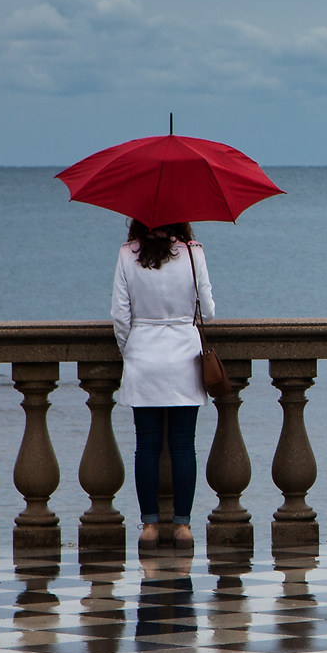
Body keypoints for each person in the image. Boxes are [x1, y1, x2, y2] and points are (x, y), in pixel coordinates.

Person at [110, 219, 215, 546]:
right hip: (184, 356)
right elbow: (208, 311)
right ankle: (183, 526)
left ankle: (150, 526)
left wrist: (130, 349)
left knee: (148, 445)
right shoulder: (192, 253)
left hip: (143, 357)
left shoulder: (128, 254)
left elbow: (119, 315)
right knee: (184, 444)